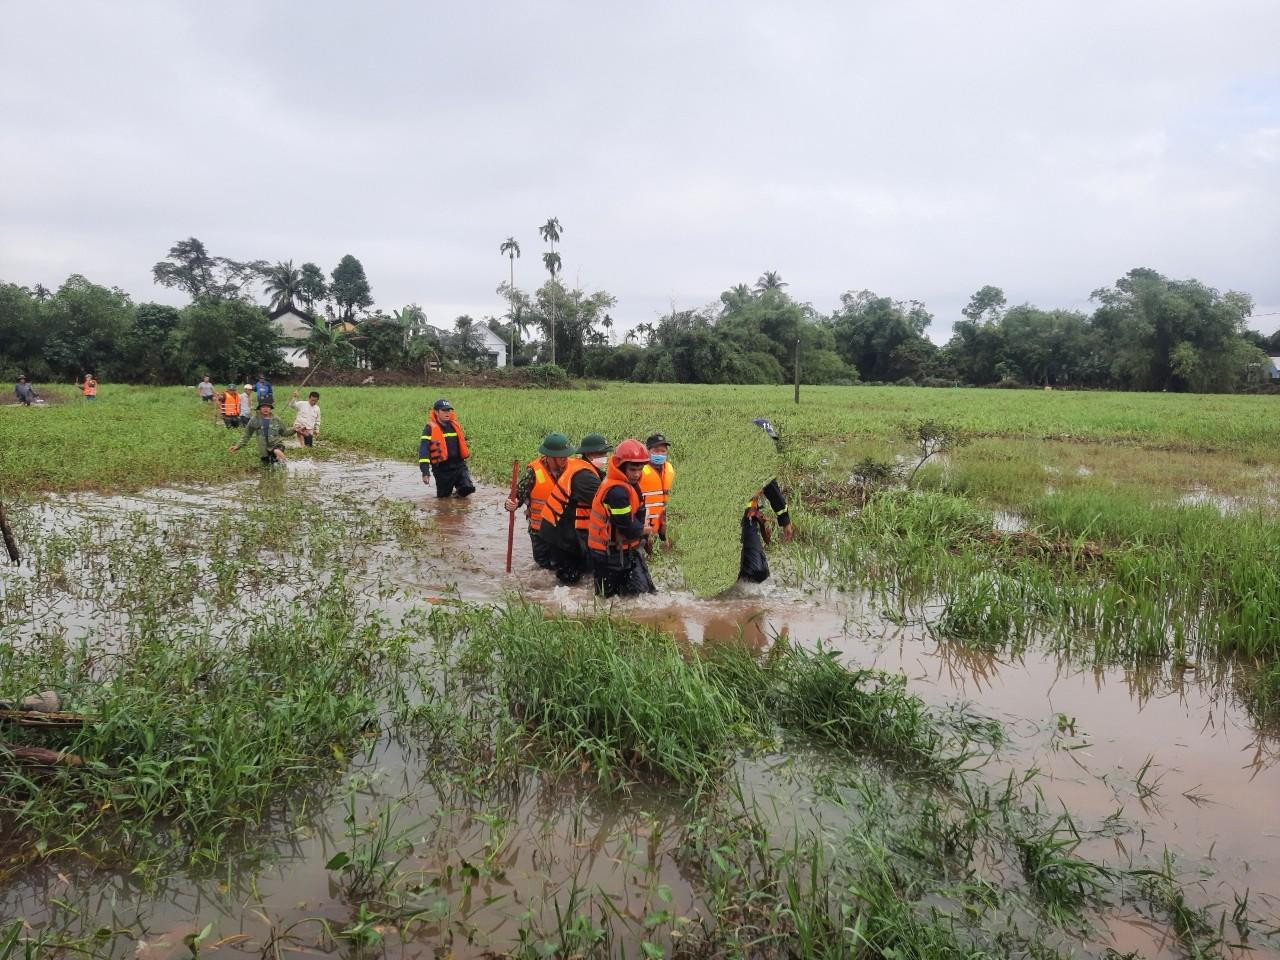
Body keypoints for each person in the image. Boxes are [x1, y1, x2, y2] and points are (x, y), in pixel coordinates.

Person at [537, 433, 612, 583]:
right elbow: (606, 502)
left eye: (605, 453)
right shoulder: (584, 477)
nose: (605, 457)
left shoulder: (584, 468)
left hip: (562, 531)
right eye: (601, 454)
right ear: (589, 455)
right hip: (562, 536)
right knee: (569, 582)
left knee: (579, 575)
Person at [586, 438, 656, 598]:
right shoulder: (617, 492)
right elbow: (626, 526)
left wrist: (643, 536)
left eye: (640, 469)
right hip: (608, 555)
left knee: (646, 594)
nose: (637, 474)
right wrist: (644, 529)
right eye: (633, 469)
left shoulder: (629, 485)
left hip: (626, 550)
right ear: (621, 467)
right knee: (607, 599)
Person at [505, 433, 574, 570]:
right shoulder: (533, 473)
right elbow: (516, 496)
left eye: (566, 455)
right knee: (545, 568)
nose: (565, 459)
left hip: (564, 530)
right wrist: (510, 504)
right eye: (561, 456)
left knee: (565, 567)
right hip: (540, 533)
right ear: (549, 457)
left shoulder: (572, 469)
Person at [740, 418, 795, 583]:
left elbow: (774, 495)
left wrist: (785, 521)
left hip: (747, 521)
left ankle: (740, 598)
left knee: (758, 571)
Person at [418, 399, 475, 498]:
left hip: (459, 466)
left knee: (467, 488)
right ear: (436, 412)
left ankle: (459, 503)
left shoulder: (455, 425)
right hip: (442, 470)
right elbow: (424, 450)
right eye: (444, 410)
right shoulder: (429, 428)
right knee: (443, 499)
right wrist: (425, 471)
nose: (447, 413)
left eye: (449, 410)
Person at [229, 399, 296, 466]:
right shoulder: (254, 420)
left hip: (276, 444)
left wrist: (295, 430)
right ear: (260, 409)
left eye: (268, 407)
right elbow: (247, 434)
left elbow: (284, 433)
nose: (265, 409)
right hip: (263, 449)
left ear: (270, 409)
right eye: (263, 407)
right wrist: (237, 446)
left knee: (277, 451)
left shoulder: (276, 419)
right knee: (267, 466)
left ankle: (287, 467)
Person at [639, 433, 676, 545]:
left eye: (663, 451)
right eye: (656, 451)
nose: (660, 454)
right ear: (647, 451)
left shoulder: (669, 469)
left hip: (663, 525)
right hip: (644, 526)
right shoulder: (639, 470)